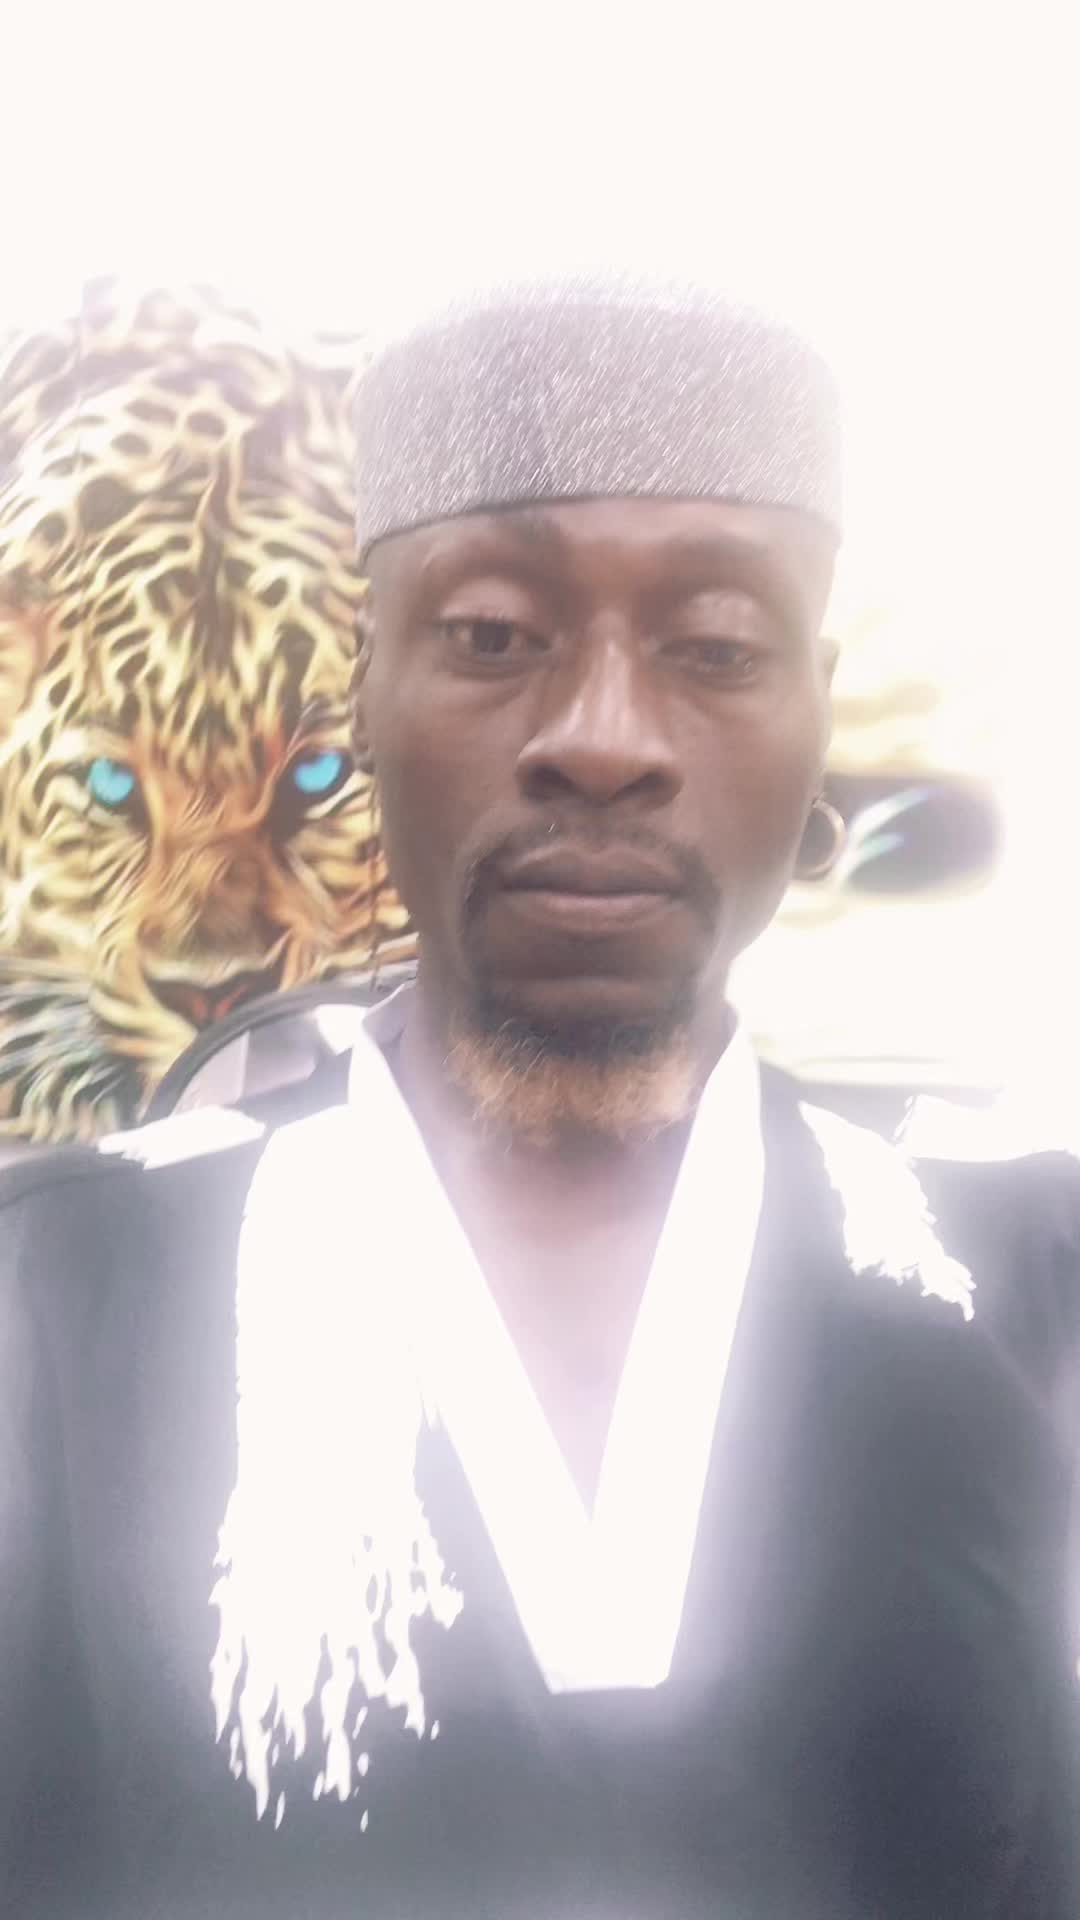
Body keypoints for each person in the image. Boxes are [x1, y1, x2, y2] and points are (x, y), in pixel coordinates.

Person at [1, 277, 1077, 1920]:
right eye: (494, 636)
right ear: (368, 699)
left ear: (812, 715)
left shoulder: (1036, 1276)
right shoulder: (48, 1298)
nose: (603, 737)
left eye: (716, 647)